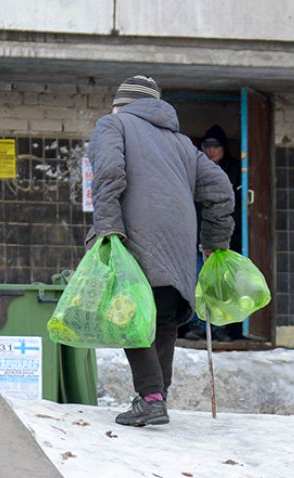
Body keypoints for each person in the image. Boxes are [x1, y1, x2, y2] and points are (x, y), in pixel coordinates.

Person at [87, 76, 234, 426]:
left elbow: (108, 172)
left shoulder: (113, 124)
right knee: (163, 317)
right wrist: (214, 243)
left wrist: (109, 228)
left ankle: (151, 398)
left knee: (127, 313)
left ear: (121, 105)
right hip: (180, 242)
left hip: (135, 235)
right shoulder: (183, 144)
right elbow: (222, 191)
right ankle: (156, 397)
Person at [183, 125, 244, 342]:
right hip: (197, 236)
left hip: (224, 239)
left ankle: (220, 327)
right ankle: (197, 325)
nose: (212, 151)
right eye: (208, 146)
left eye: (216, 146)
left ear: (224, 148)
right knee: (198, 282)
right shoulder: (194, 171)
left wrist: (229, 237)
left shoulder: (235, 171)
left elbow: (236, 209)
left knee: (221, 283)